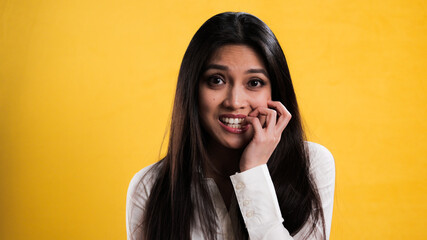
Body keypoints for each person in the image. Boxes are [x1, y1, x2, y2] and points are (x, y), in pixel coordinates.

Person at [126, 12, 335, 240]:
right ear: (192, 89)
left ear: (275, 93)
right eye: (216, 80)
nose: (235, 102)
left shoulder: (310, 165)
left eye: (254, 83)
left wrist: (254, 171)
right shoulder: (150, 188)